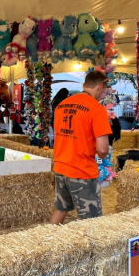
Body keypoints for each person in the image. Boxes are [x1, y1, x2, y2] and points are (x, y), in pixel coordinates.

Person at [51, 71, 112, 224]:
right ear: (99, 87)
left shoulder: (61, 106)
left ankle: (45, 243)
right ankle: (87, 248)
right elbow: (103, 150)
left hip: (60, 166)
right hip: (82, 170)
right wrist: (103, 158)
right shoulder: (96, 109)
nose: (103, 94)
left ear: (84, 85)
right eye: (103, 90)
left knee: (61, 209)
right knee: (89, 220)